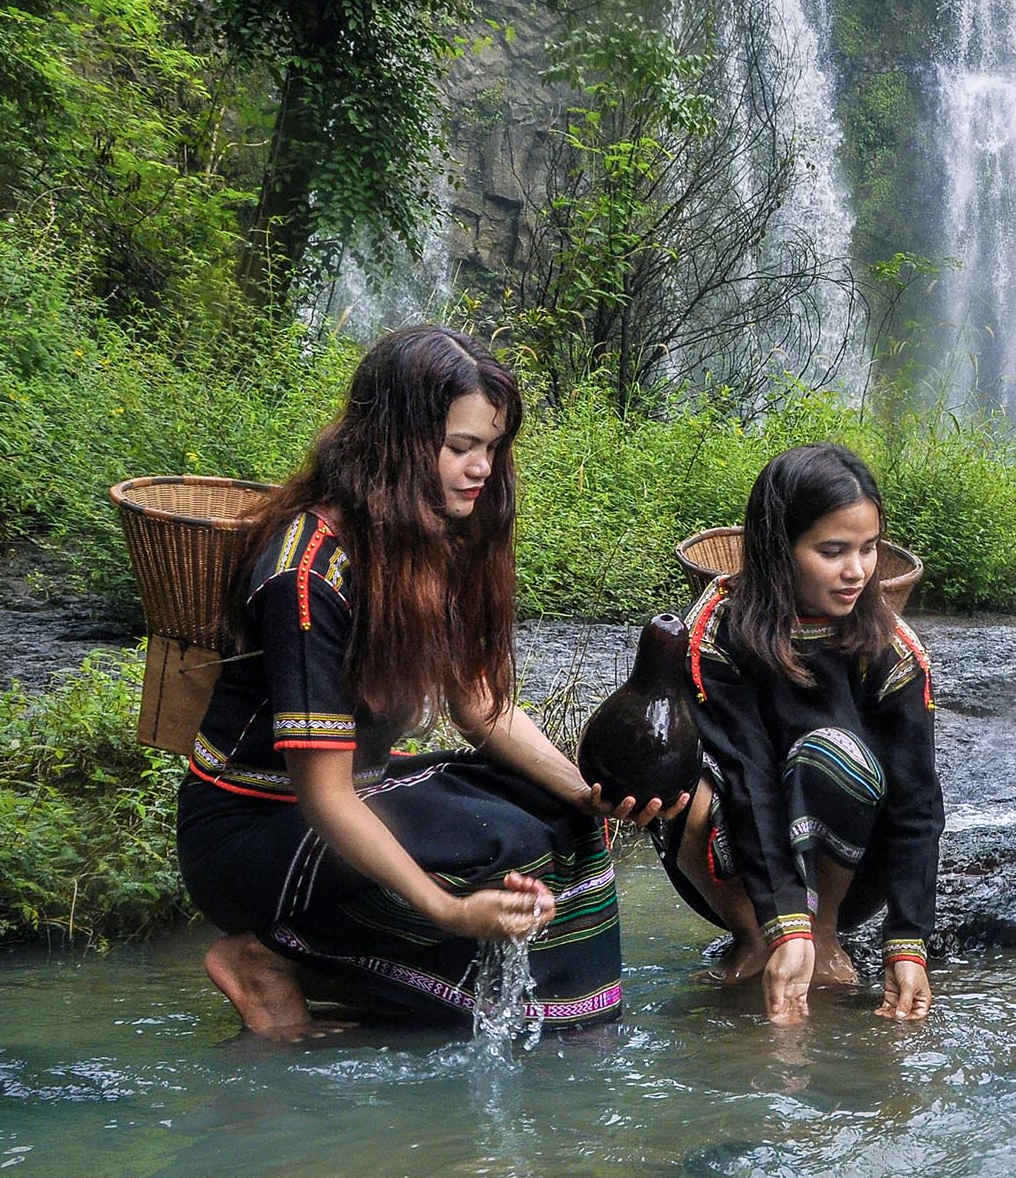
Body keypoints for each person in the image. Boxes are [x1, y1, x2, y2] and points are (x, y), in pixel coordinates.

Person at [179, 327, 667, 1039]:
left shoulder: (431, 538)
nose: (482, 468)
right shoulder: (307, 575)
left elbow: (480, 707)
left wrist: (586, 792)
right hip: (251, 835)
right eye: (460, 446)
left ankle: (551, 1020)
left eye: (492, 447)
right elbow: (325, 796)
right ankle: (270, 953)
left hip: (356, 795)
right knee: (495, 837)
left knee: (555, 815)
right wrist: (448, 909)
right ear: (393, 444)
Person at [655, 444, 943, 1025]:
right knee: (670, 770)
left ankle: (825, 932)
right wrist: (783, 924)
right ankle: (756, 937)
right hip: (738, 854)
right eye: (832, 551)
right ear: (777, 548)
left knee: (833, 753)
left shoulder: (892, 649)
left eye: (868, 548)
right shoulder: (717, 631)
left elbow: (917, 801)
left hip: (852, 863)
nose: (857, 571)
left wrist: (907, 942)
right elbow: (748, 775)